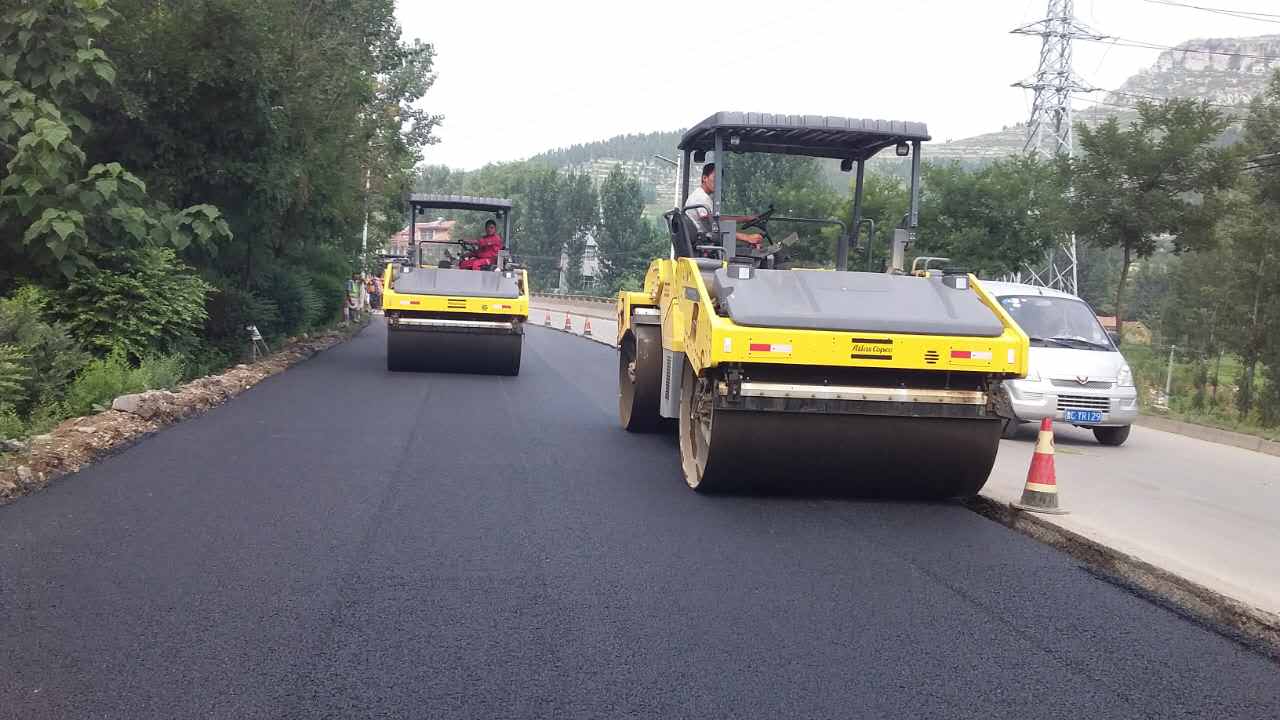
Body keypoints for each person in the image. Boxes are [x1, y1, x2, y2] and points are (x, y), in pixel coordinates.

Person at [684, 163, 764, 252]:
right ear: (704, 178)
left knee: (745, 248)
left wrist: (744, 219)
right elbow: (712, 223)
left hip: (705, 242)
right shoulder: (701, 197)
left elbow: (716, 219)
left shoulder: (701, 195)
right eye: (715, 178)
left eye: (719, 180)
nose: (718, 183)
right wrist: (746, 237)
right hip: (704, 245)